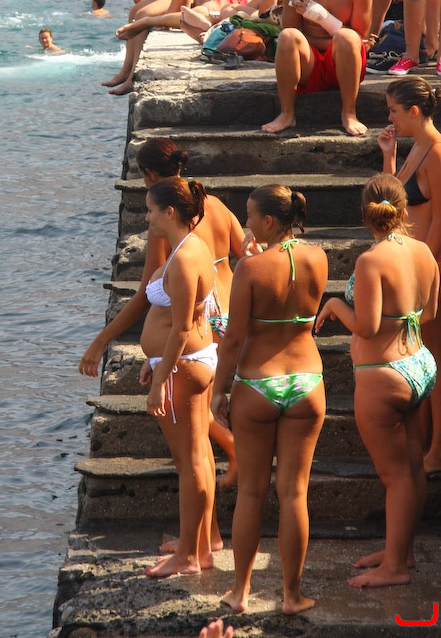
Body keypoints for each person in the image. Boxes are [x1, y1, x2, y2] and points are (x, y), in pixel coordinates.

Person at [79, 138, 247, 499]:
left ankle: (231, 452)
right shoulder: (212, 203)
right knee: (200, 411)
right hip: (225, 314)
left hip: (199, 321)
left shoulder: (167, 222)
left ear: (150, 175)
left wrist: (101, 339)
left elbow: (145, 294)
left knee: (193, 422)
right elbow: (247, 255)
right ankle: (226, 460)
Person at [316, 174, 438, 587]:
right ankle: (401, 551)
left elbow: (366, 327)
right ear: (404, 211)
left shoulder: (371, 261)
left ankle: (395, 568)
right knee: (413, 468)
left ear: (364, 214)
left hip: (382, 374)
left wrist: (335, 303)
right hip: (418, 364)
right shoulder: (423, 251)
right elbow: (429, 313)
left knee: (395, 476)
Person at [211, 184, 327, 614]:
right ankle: (292, 595)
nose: (245, 223)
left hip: (259, 382)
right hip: (307, 381)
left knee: (252, 492)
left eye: (249, 216)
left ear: (269, 221)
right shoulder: (318, 257)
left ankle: (240, 593)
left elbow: (234, 338)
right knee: (294, 493)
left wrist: (219, 389)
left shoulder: (250, 268)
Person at [137, 177, 219, 577]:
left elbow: (182, 327)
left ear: (170, 212)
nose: (147, 217)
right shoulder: (191, 246)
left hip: (182, 369)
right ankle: (201, 546)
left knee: (189, 463)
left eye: (151, 210)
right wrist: (152, 360)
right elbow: (175, 318)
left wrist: (159, 381)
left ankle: (187, 557)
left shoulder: (185, 258)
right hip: (182, 363)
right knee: (198, 457)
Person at [378, 78, 441, 475]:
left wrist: (424, 268)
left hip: (429, 268)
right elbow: (391, 199)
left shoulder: (436, 151)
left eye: (393, 111)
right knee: (420, 356)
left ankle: (438, 450)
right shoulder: (416, 146)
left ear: (414, 111)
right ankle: (424, 442)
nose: (390, 118)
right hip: (410, 264)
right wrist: (389, 156)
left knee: (435, 359)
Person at [261, 0, 372, 137]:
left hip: (344, 62)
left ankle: (349, 113)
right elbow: (292, 36)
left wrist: (322, 18)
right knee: (287, 37)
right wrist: (326, 35)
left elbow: (360, 39)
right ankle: (286, 113)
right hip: (310, 64)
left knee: (347, 37)